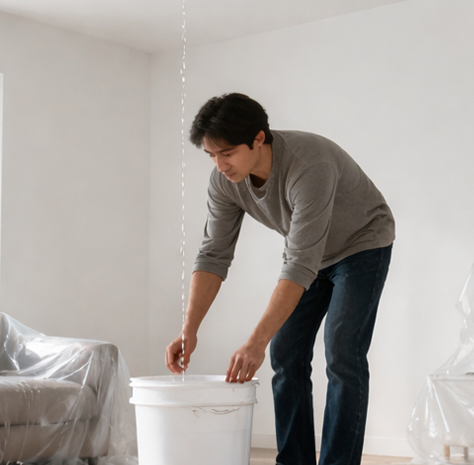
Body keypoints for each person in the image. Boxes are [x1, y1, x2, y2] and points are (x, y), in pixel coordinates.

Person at [165, 93, 395, 465]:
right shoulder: (224, 182)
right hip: (308, 254)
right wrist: (189, 329)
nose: (220, 165)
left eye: (227, 152)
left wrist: (254, 341)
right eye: (211, 155)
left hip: (362, 244)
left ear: (258, 138)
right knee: (285, 352)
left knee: (342, 353)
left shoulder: (310, 164)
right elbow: (213, 254)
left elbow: (300, 264)